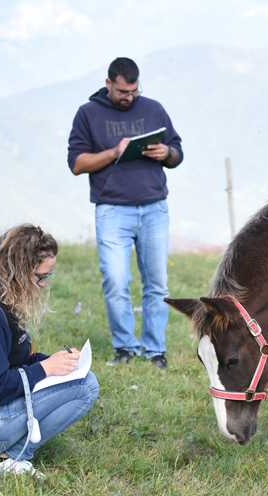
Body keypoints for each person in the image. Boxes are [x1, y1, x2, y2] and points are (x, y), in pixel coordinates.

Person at [0, 225, 100, 477]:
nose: (44, 284)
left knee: (81, 378)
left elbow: (18, 360)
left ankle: (8, 454)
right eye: (40, 276)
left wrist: (58, 363)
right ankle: (13, 457)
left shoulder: (4, 297)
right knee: (86, 386)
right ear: (20, 272)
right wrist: (45, 369)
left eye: (48, 275)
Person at [67, 56, 183, 370]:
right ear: (109, 84)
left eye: (133, 90)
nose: (129, 97)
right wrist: (114, 152)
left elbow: (177, 151)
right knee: (116, 281)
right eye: (122, 92)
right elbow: (77, 164)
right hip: (112, 211)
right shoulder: (88, 114)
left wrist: (166, 153)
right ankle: (125, 348)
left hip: (154, 209)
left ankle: (154, 350)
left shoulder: (153, 108)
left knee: (157, 284)